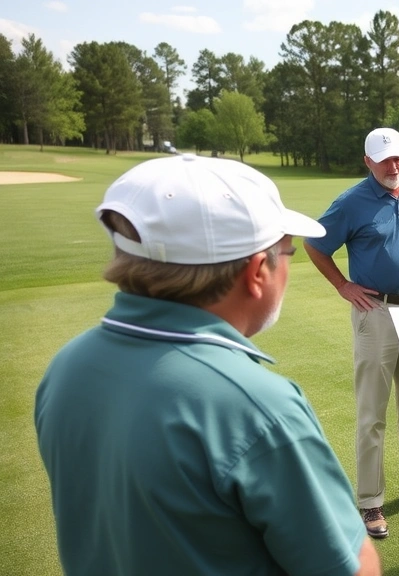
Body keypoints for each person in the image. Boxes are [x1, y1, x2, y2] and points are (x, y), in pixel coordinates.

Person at [35, 155, 380, 576]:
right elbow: (350, 568)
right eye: (287, 250)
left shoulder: (68, 364)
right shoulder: (258, 406)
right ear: (257, 272)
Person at [304, 128, 399, 540]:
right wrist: (342, 285)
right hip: (376, 312)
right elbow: (315, 245)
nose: (395, 166)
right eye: (385, 160)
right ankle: (369, 501)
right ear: (368, 162)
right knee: (372, 413)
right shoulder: (351, 202)